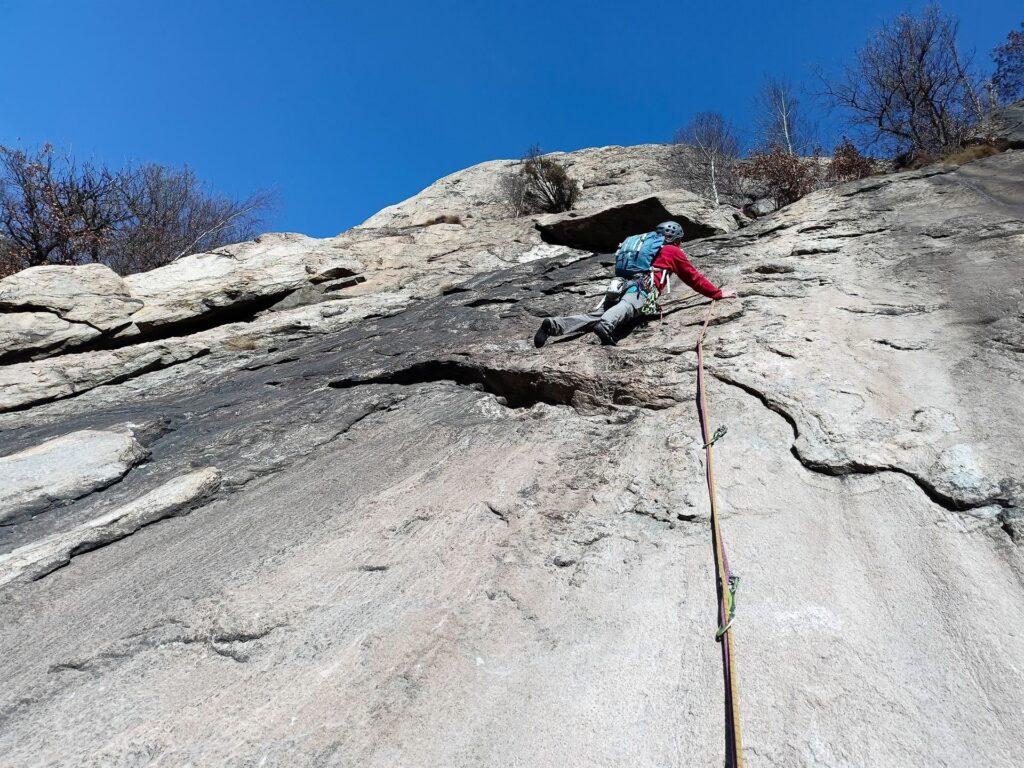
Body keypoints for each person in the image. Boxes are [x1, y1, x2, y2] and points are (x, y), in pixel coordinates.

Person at [533, 221, 738, 347]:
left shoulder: (642, 248)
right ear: (675, 238)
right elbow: (693, 277)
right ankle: (606, 326)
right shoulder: (673, 251)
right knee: (630, 306)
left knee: (596, 314)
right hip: (642, 286)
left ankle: (554, 325)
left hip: (620, 283)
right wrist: (717, 294)